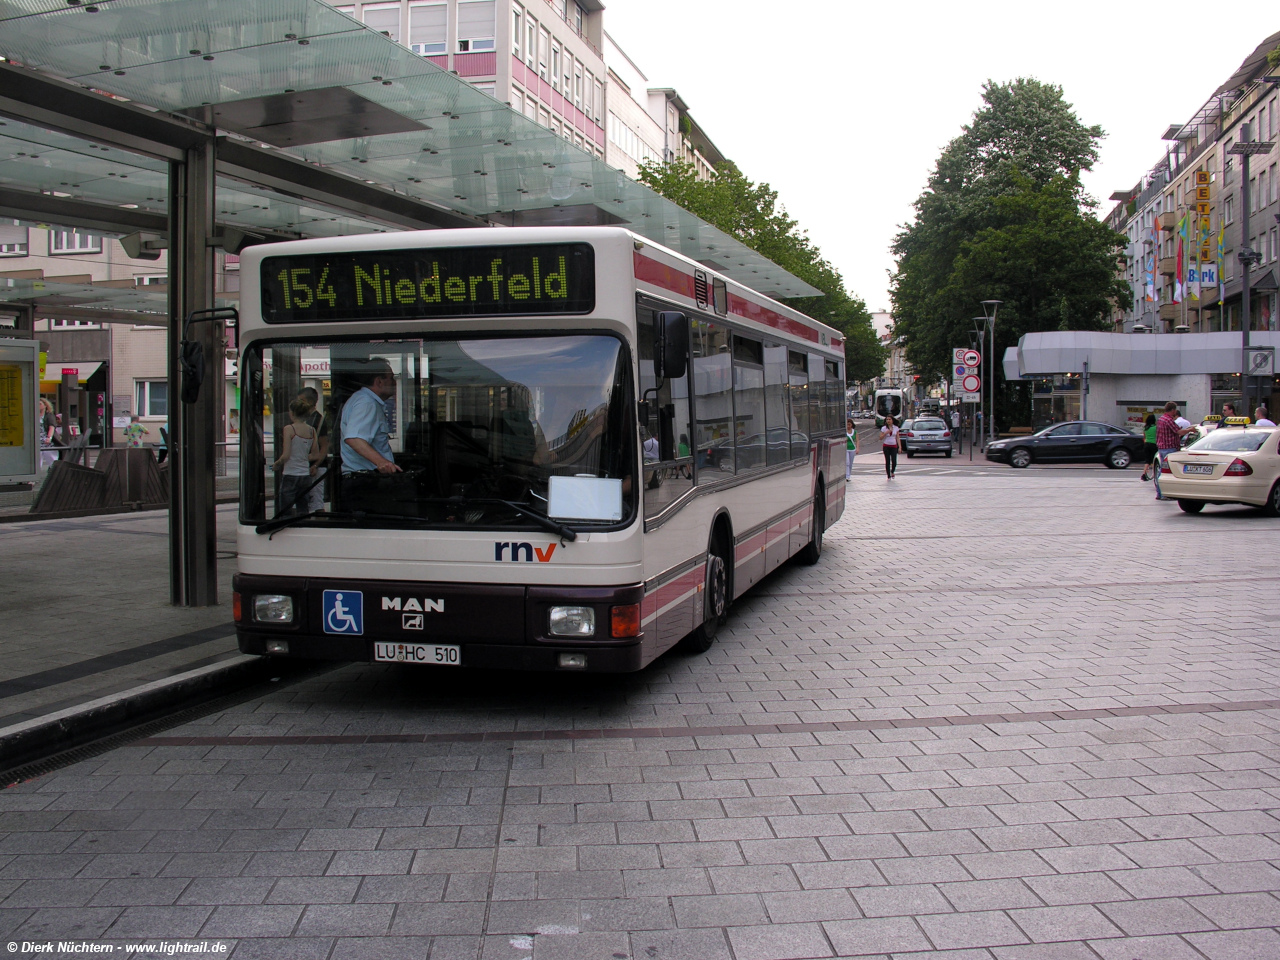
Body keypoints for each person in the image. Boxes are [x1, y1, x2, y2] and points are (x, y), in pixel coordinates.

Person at [340, 360, 400, 476]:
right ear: (379, 381)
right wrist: (381, 462)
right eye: (391, 378)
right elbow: (354, 438)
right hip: (365, 478)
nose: (394, 383)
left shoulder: (362, 399)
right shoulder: (366, 403)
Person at [272, 397, 319, 516]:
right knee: (303, 510)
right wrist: (302, 458)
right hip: (305, 475)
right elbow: (315, 454)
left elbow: (286, 455)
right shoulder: (312, 430)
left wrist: (276, 464)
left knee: (285, 510)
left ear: (292, 413)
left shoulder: (289, 429)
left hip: (290, 473)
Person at [298, 387, 330, 513]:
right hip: (304, 464)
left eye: (301, 400)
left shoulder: (318, 420)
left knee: (316, 499)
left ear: (309, 402)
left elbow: (324, 446)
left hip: (315, 466)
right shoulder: (302, 419)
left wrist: (316, 465)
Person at [1153, 402, 1191, 501]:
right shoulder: (1169, 420)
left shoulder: (1161, 419)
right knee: (1167, 472)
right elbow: (1179, 432)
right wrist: (1189, 430)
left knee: (1162, 470)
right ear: (1173, 410)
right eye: (1175, 410)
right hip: (1169, 448)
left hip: (1161, 448)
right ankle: (1164, 494)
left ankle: (1160, 493)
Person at [1139, 413, 1158, 482]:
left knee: (1147, 460)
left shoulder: (1145, 428)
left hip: (1146, 444)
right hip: (1154, 444)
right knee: (1153, 460)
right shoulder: (1156, 427)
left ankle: (1144, 474)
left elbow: (1144, 437)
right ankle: (1154, 474)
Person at [880, 415, 899, 479]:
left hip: (894, 446)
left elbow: (898, 438)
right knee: (887, 461)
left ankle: (892, 471)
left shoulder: (896, 428)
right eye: (887, 419)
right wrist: (885, 433)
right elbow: (880, 438)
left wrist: (900, 447)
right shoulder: (884, 428)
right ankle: (888, 475)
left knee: (894, 461)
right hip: (886, 446)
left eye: (889, 419)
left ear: (892, 420)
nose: (888, 421)